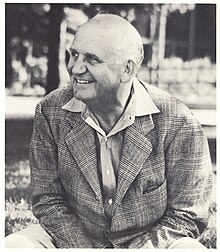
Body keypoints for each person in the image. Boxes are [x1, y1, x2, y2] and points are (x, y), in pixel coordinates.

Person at [5, 14, 213, 249]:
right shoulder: (51, 111)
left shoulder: (178, 121)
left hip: (149, 245)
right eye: (74, 55)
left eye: (91, 59)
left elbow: (186, 215)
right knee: (15, 245)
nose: (75, 68)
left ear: (127, 69)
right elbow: (48, 201)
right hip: (72, 241)